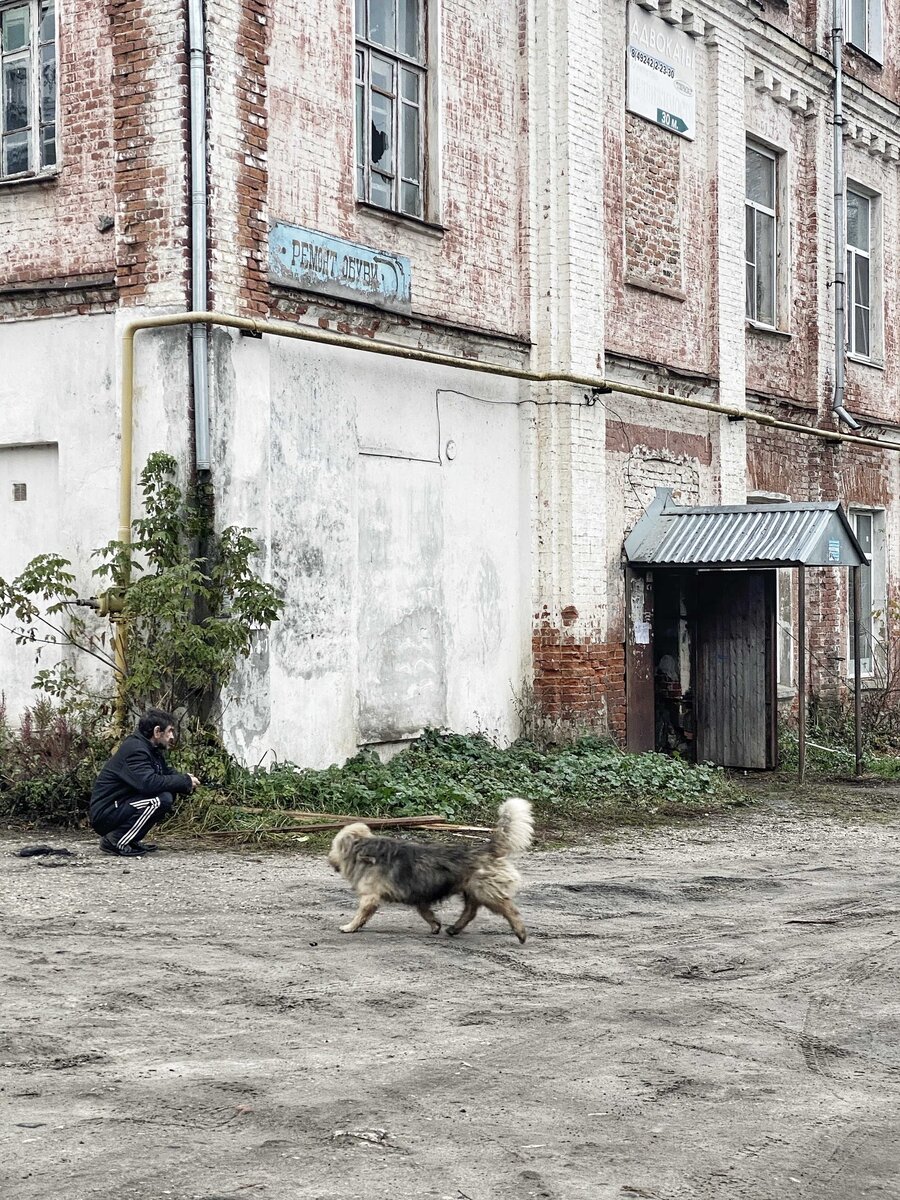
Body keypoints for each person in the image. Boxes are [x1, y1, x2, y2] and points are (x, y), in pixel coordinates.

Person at [89, 709, 200, 857]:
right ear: (157, 731)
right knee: (160, 800)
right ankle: (115, 841)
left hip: (118, 807)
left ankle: (130, 839)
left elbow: (164, 773)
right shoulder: (136, 750)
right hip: (106, 813)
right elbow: (148, 783)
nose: (172, 736)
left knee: (166, 795)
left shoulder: (149, 749)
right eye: (170, 731)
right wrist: (183, 781)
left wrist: (186, 781)